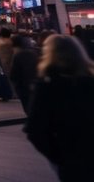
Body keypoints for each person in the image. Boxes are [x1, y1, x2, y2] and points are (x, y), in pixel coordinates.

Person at [24, 34, 94, 182]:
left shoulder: (47, 86)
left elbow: (35, 130)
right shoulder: (89, 81)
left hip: (71, 153)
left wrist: (58, 155)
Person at [9, 33, 41, 114]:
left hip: (24, 87)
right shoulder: (34, 52)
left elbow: (13, 75)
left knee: (29, 110)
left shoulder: (17, 56)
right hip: (36, 84)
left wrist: (17, 88)